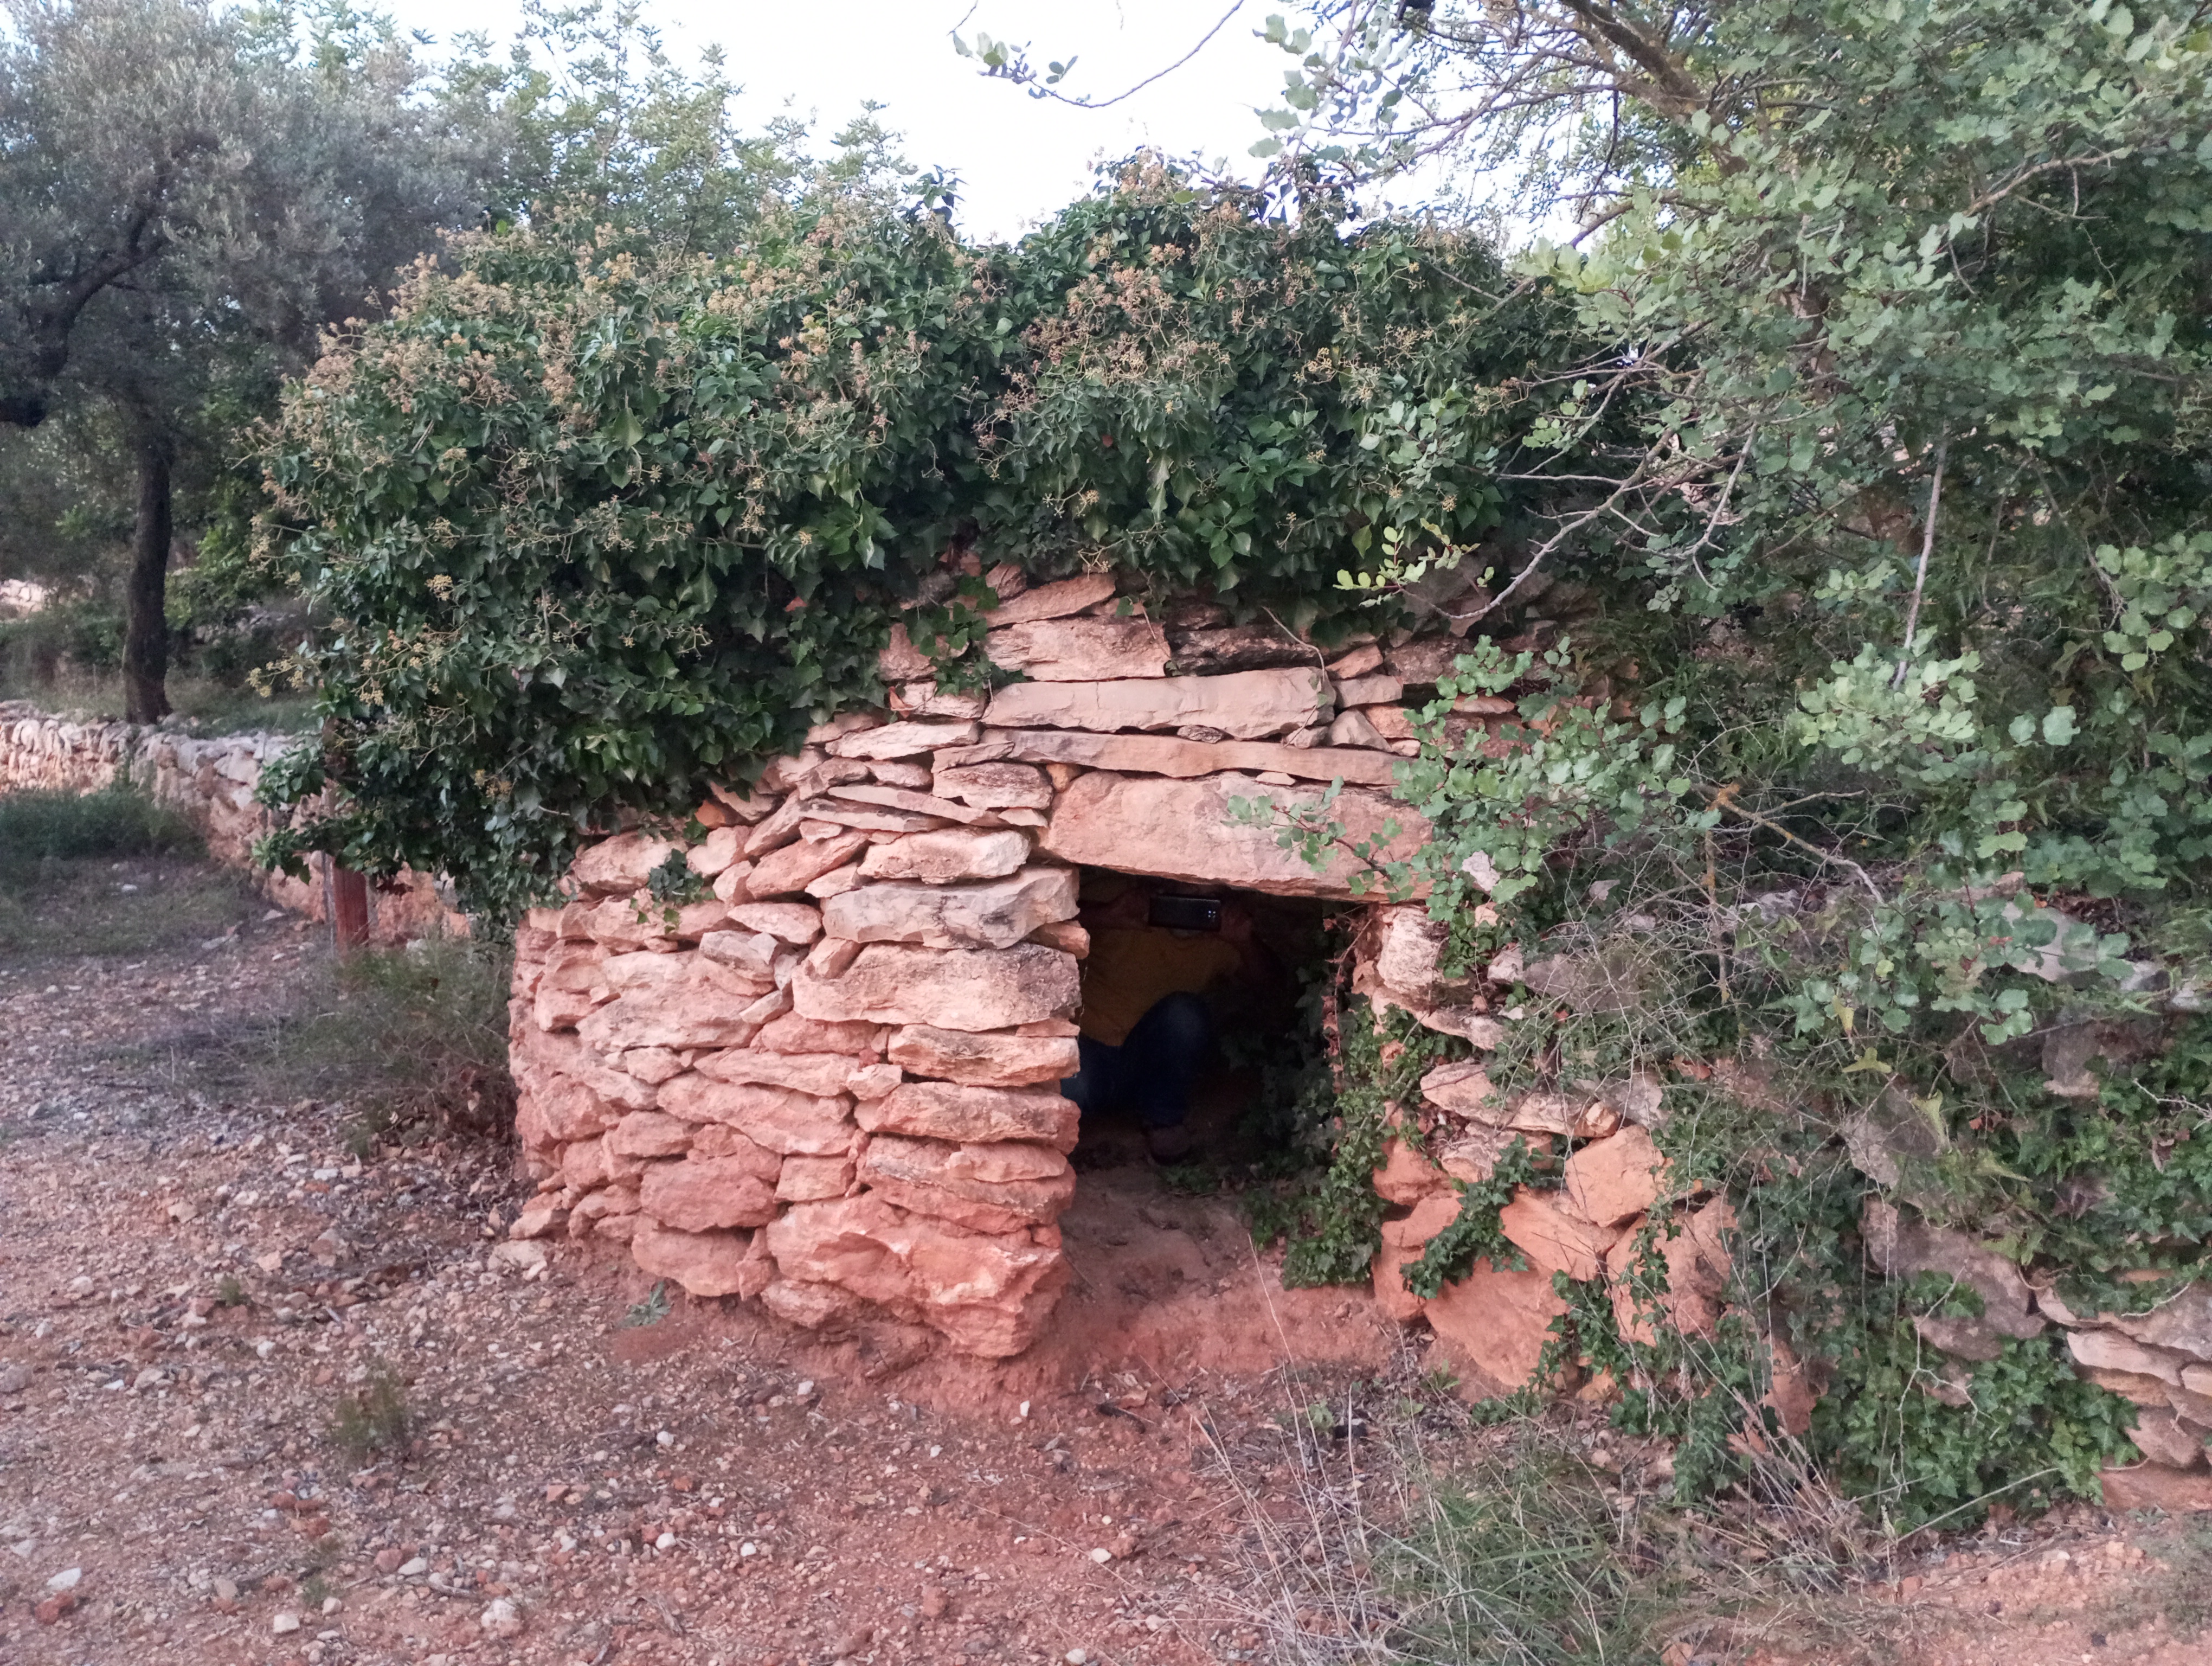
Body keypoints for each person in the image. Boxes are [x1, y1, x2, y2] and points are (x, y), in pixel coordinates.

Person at [1060, 877, 1277, 1162]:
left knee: (1185, 1014)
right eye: (1188, 890)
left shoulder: (1219, 941)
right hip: (1088, 1056)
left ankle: (1163, 1120)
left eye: (1209, 897)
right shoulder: (1122, 899)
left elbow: (1272, 987)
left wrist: (1245, 942)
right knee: (1071, 1089)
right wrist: (1108, 915)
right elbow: (1045, 921)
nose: (1195, 903)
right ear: (1164, 885)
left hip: (1151, 1067)